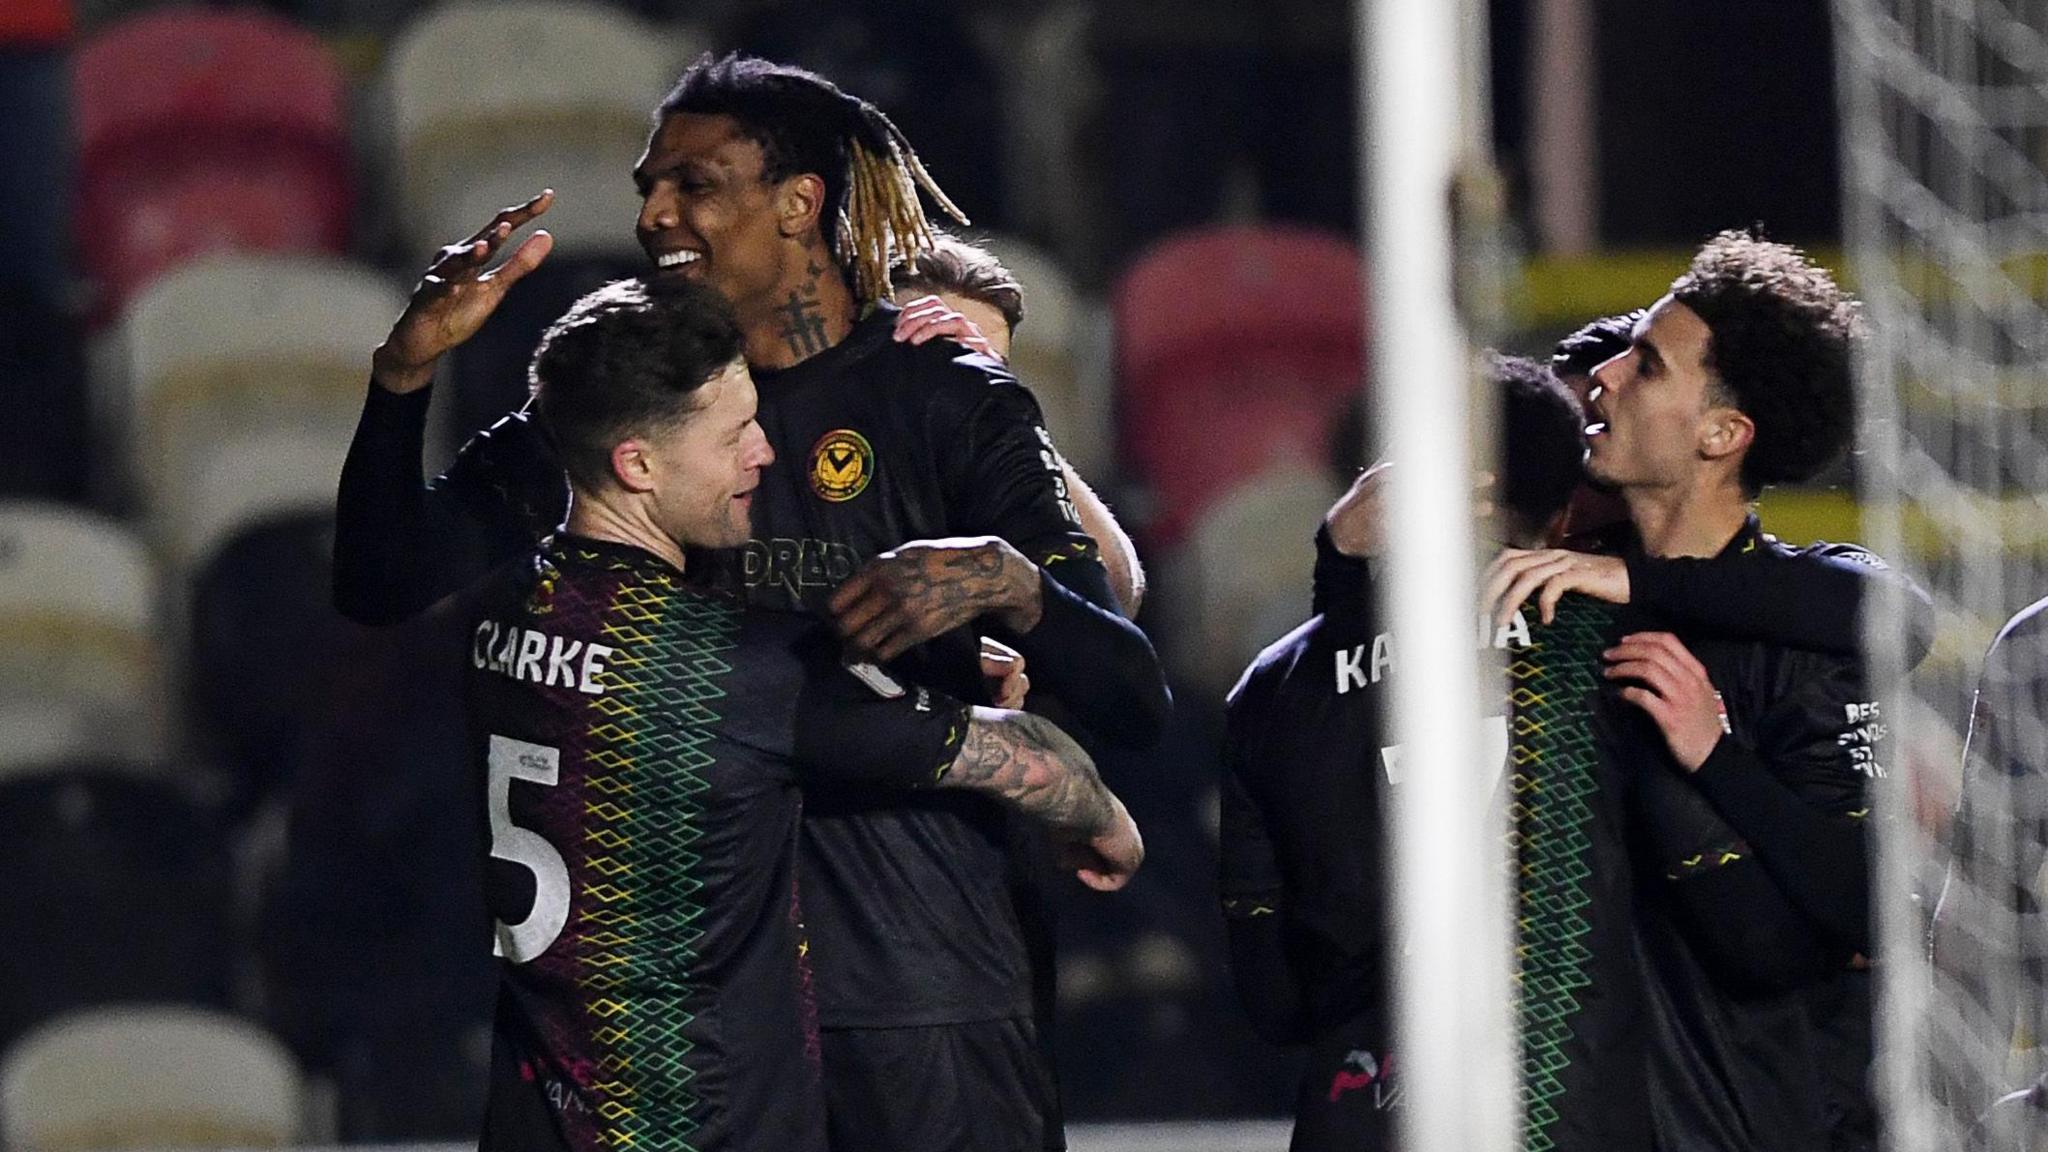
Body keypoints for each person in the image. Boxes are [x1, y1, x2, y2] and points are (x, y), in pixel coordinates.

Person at [335, 52, 1170, 1152]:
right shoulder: (640, 391)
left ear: (797, 203)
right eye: (646, 185)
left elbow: (1127, 693)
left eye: (692, 184)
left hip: (918, 982)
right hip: (696, 1021)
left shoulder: (941, 394)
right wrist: (402, 381)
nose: (653, 213)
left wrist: (1005, 583)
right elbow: (387, 580)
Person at [465, 275, 1142, 1151]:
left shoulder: (499, 618)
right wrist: (1107, 819)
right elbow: (1031, 759)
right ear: (637, 464)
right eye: (735, 433)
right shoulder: (744, 668)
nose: (763, 454)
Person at [1220, 355, 1655, 1151]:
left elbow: (1273, 1001)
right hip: (1578, 1105)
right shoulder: (1631, 647)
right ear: (1564, 517)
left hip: (1362, 1108)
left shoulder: (1272, 684)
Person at [1554, 232, 1881, 1152]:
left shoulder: (1809, 638)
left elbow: (1856, 914)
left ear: (1721, 434)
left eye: (1647, 365)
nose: (1609, 376)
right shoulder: (1556, 615)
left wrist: (1716, 760)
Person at [888, 233, 1146, 618]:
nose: (961, 387)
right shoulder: (789, 438)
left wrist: (1008, 418)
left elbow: (1116, 596)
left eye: (983, 368)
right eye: (937, 356)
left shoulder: (994, 464)